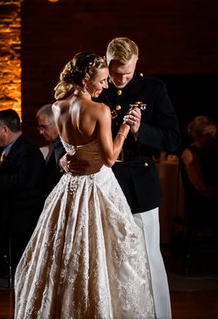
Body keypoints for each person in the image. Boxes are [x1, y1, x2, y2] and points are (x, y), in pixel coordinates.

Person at [15, 52, 155, 318]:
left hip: (69, 188)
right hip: (98, 187)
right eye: (101, 81)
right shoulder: (99, 110)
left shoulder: (58, 107)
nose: (105, 86)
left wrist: (64, 161)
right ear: (86, 79)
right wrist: (124, 128)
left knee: (65, 254)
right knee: (102, 255)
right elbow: (110, 158)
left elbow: (68, 147)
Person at [90, 37, 179, 318]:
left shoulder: (154, 89)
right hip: (104, 182)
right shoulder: (95, 88)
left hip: (140, 183)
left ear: (137, 63)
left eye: (127, 73)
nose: (121, 79)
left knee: (148, 256)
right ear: (107, 64)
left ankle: (159, 314)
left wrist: (143, 131)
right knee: (108, 256)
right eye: (116, 73)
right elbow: (73, 124)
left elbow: (173, 139)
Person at [0, 109, 45, 281]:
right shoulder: (1, 149)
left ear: (5, 129)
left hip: (21, 209)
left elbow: (25, 181)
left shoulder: (28, 150)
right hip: (2, 204)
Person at [35, 104, 65, 196]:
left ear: (57, 123)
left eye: (44, 127)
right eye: (39, 127)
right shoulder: (55, 144)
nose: (40, 132)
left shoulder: (65, 146)